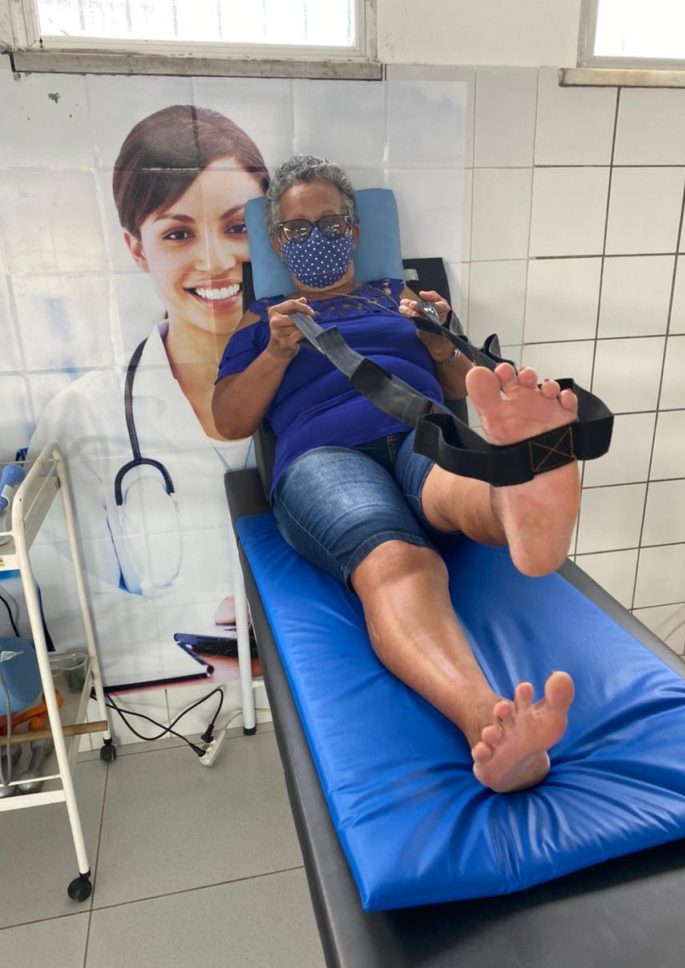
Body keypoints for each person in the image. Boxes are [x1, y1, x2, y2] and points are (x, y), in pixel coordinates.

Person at [212, 155, 581, 793]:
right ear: (276, 242)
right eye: (297, 229)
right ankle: (487, 721)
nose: (316, 238)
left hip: (419, 427)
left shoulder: (401, 298)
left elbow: (459, 388)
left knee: (452, 483)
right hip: (322, 457)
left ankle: (516, 505)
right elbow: (229, 420)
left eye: (330, 224)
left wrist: (441, 344)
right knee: (398, 560)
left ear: (354, 231)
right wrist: (275, 352)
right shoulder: (262, 320)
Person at [26, 106, 268, 683]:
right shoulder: (82, 417)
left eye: (238, 227)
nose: (216, 260)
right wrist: (206, 631)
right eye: (178, 234)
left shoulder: (323, 384)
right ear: (137, 249)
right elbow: (65, 603)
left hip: (315, 674)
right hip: (165, 701)